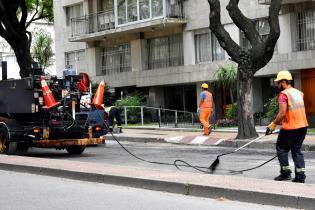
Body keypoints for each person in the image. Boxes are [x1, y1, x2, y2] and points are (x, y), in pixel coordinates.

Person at [266, 70, 308, 183]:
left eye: (278, 82)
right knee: (296, 150)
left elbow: (282, 113)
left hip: (291, 128)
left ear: (283, 81)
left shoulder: (284, 94)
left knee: (282, 148)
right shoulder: (299, 93)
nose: (277, 85)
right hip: (303, 126)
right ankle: (300, 176)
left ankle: (285, 174)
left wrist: (273, 124)